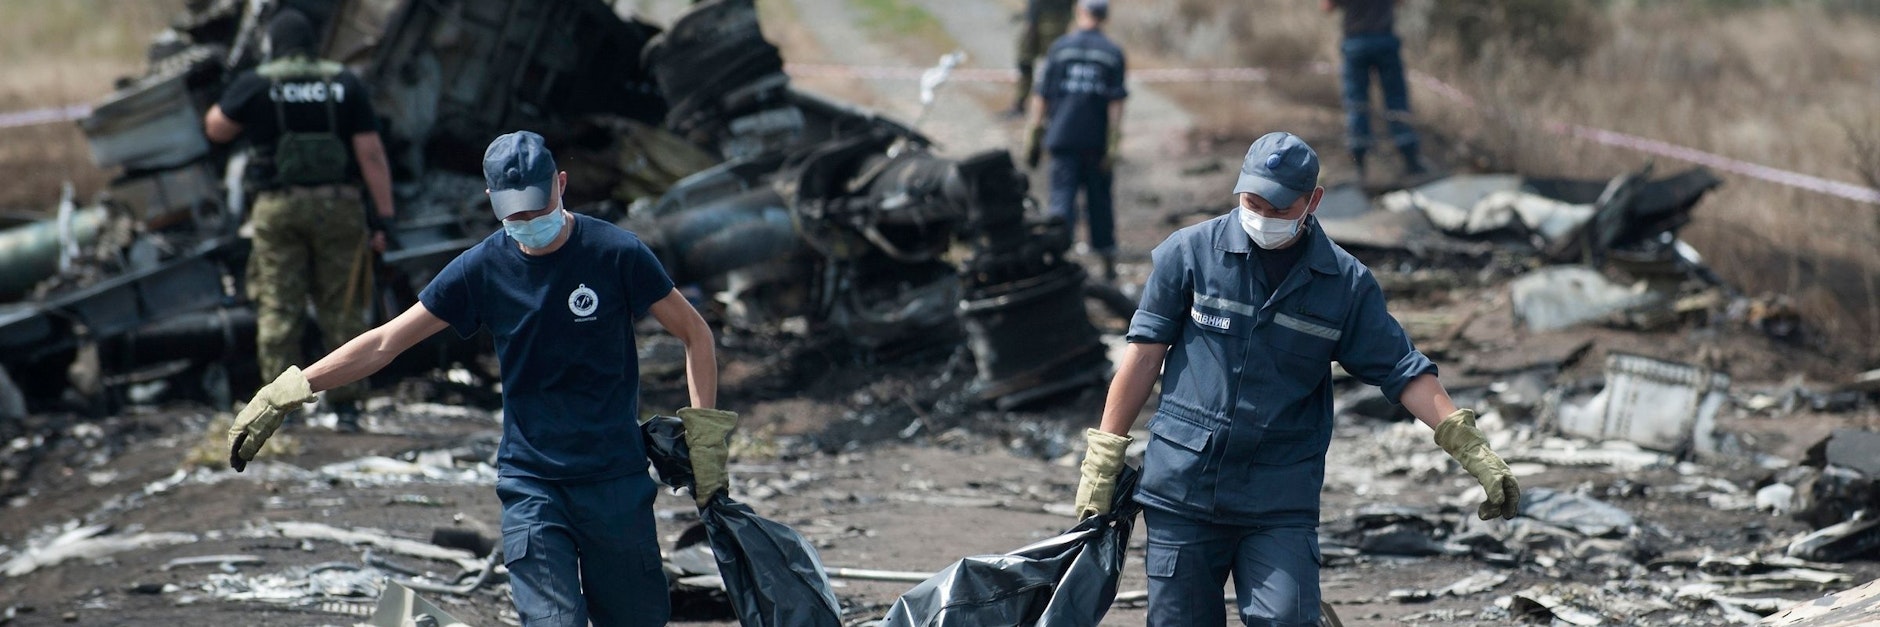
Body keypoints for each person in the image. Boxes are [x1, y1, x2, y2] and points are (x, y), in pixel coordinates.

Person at [226, 131, 736, 627]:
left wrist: (705, 438)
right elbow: (386, 341)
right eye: (514, 213)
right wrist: (290, 389)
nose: (528, 222)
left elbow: (695, 334)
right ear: (491, 200)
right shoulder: (482, 268)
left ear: (561, 184)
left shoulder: (616, 253)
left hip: (615, 480)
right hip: (533, 485)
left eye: (537, 207)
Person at [1071, 132, 1519, 626]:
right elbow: (1142, 357)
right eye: (1252, 201)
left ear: (1313, 201)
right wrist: (1104, 456)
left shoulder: (1344, 285)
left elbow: (1402, 370)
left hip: (1278, 497)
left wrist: (1471, 448)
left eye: (1279, 207)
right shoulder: (1190, 254)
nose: (1262, 215)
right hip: (1184, 489)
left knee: (1288, 618)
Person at [203, 8, 394, 431]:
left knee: (279, 307)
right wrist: (384, 218)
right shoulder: (344, 82)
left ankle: (280, 411)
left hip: (279, 209)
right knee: (343, 306)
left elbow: (216, 128)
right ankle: (347, 407)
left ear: (273, 44)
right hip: (339, 208)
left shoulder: (257, 82)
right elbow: (370, 154)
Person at [1022, 0, 1128, 282]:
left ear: (1080, 12)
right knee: (1099, 203)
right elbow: (1115, 102)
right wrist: (1113, 142)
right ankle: (1107, 264)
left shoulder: (1060, 48)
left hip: (1062, 137)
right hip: (1095, 141)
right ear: (1105, 16)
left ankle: (1057, 261)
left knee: (1061, 200)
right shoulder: (1112, 52)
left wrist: (1033, 134)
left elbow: (1042, 95)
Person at [1322, 0, 1424, 179]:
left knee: (1357, 103)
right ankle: (1410, 160)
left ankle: (1359, 165)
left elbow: (1327, 7)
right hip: (1384, 39)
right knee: (1396, 99)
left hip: (1356, 42)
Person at [1008, 0, 1077, 117]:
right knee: (1025, 61)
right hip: (1037, 18)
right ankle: (1021, 102)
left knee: (1053, 65)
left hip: (1054, 20)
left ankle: (1050, 106)